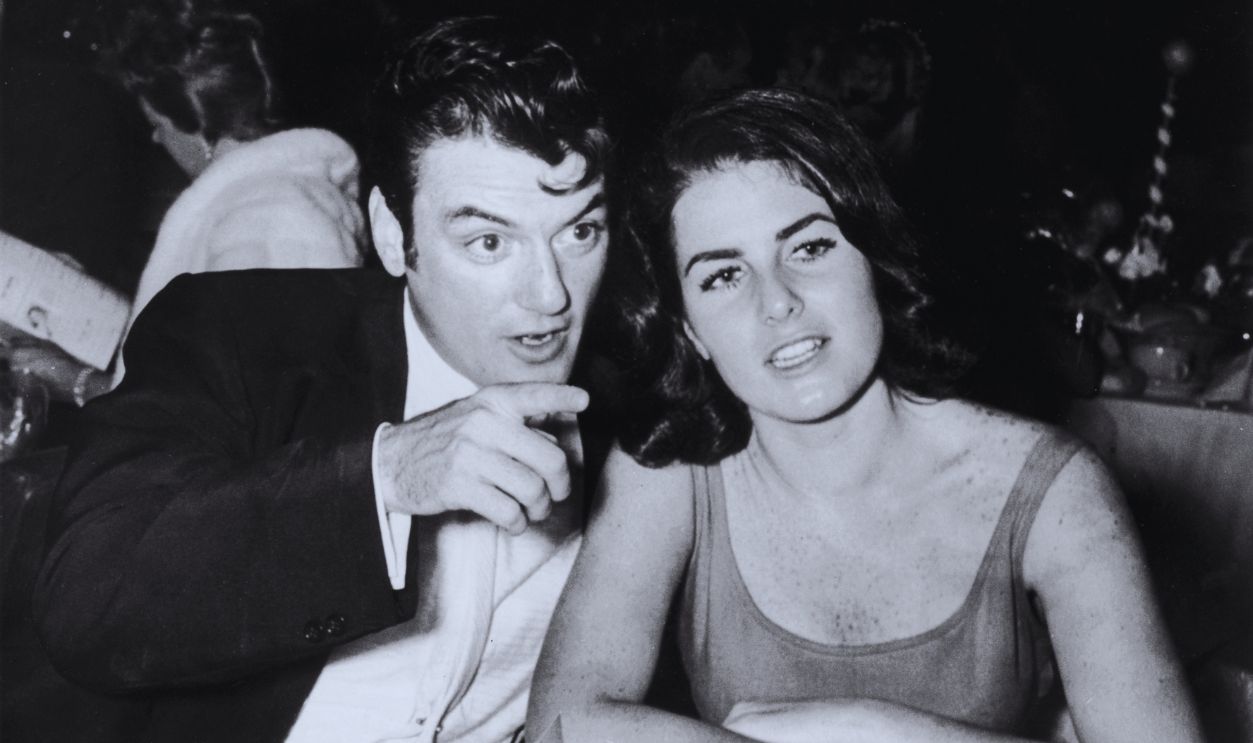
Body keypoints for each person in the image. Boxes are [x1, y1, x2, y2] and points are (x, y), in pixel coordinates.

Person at [528, 88, 1203, 742]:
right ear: (691, 330)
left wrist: (869, 728)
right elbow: (563, 725)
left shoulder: (1054, 491)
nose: (777, 301)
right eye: (723, 275)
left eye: (809, 247)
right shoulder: (668, 474)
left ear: (872, 261)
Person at [32, 16, 611, 743]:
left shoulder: (631, 388)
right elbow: (87, 600)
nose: (550, 294)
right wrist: (386, 476)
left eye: (579, 231)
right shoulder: (235, 331)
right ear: (393, 235)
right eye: (488, 240)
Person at [7, 0, 366, 403]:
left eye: (158, 124)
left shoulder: (271, 222)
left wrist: (73, 380)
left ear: (197, 124)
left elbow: (217, 417)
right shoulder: (273, 201)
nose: (157, 139)